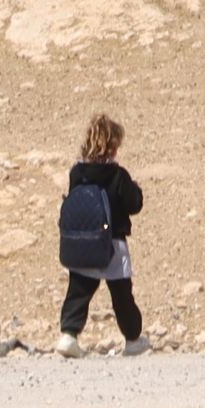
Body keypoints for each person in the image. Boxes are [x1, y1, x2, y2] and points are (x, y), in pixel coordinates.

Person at [56, 113, 148, 351]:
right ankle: (132, 340)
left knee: (78, 291)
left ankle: (69, 334)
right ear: (113, 145)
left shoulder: (77, 173)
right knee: (122, 296)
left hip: (83, 243)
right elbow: (134, 204)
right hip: (112, 244)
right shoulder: (118, 175)